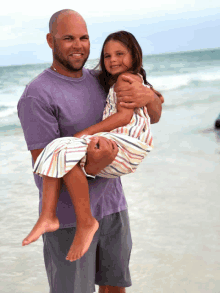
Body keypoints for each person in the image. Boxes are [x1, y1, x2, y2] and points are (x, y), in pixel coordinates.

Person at [17, 9, 163, 293]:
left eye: (84, 38)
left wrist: (152, 96)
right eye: (68, 38)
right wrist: (94, 166)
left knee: (115, 289)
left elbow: (150, 115)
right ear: (51, 40)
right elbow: (46, 165)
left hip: (113, 207)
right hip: (69, 218)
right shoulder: (37, 94)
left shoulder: (102, 79)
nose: (78, 45)